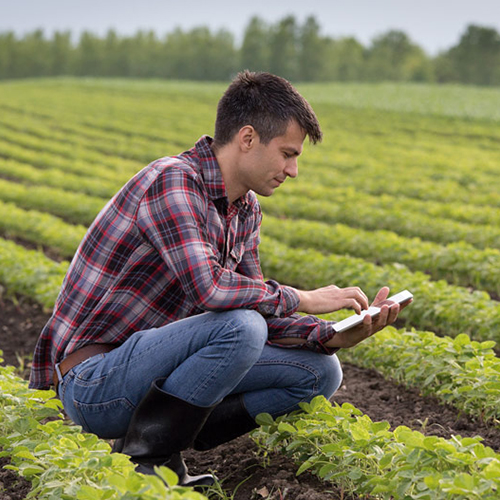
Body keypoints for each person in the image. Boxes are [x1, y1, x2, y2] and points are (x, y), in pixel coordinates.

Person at [29, 70, 405, 487]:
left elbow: (257, 304)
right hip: (96, 383)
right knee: (240, 327)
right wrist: (304, 297)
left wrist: (333, 334)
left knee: (321, 372)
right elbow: (211, 289)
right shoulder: (172, 181)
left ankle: (176, 430)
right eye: (287, 153)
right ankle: (150, 460)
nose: (293, 170)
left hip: (152, 373)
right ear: (247, 139)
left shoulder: (244, 210)